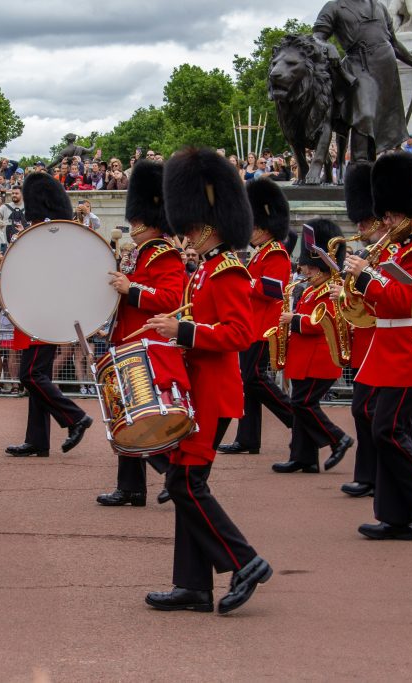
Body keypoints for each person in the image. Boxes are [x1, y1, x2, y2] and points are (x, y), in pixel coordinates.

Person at [142, 147, 271, 615]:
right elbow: (201, 325)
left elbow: (241, 333)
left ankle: (245, 560)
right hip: (197, 389)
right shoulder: (207, 271)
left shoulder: (230, 270)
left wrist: (183, 331)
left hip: (214, 393)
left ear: (210, 224)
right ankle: (193, 587)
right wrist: (171, 331)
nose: (187, 236)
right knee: (183, 483)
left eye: (192, 228)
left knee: (187, 485)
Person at [343, 151, 412, 541]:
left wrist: (364, 278)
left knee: (388, 428)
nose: (385, 221)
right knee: (387, 425)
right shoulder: (401, 249)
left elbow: (403, 301)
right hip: (387, 344)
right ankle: (397, 516)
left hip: (408, 344)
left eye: (391, 215)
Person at [96, 160, 186, 508]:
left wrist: (132, 288)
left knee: (144, 418)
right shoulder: (138, 254)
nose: (133, 226)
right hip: (126, 341)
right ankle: (131, 488)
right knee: (125, 416)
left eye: (137, 220)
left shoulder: (165, 254)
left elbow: (170, 299)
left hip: (147, 345)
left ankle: (172, 474)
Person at [5, 172, 93, 457]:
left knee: (30, 375)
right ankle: (37, 440)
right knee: (36, 375)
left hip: (44, 315)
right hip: (36, 314)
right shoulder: (42, 236)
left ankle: (75, 417)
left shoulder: (46, 238)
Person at [219, 178, 296, 457]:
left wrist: (244, 283)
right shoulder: (259, 254)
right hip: (252, 325)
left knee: (254, 379)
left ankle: (296, 420)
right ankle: (248, 438)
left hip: (265, 327)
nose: (249, 232)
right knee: (247, 384)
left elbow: (273, 289)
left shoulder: (276, 253)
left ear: (264, 228)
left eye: (253, 227)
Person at [273, 219, 354, 474]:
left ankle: (337, 438)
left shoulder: (330, 290)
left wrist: (294, 320)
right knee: (299, 406)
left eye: (309, 267)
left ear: (321, 266)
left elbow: (322, 322)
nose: (305, 271)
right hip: (304, 357)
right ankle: (303, 457)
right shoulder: (310, 290)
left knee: (303, 403)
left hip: (320, 358)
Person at [312, 0, 412, 160]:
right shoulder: (334, 6)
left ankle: (368, 166)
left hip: (386, 70)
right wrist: (328, 47)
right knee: (364, 116)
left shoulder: (380, 7)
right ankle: (358, 164)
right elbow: (317, 37)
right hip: (358, 66)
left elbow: (393, 43)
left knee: (379, 124)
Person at [331, 162, 385, 497]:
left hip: (385, 337)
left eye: (367, 220)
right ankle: (368, 475)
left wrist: (365, 275)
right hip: (366, 338)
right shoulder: (368, 253)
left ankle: (384, 478)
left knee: (376, 415)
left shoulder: (384, 254)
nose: (361, 226)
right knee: (363, 410)